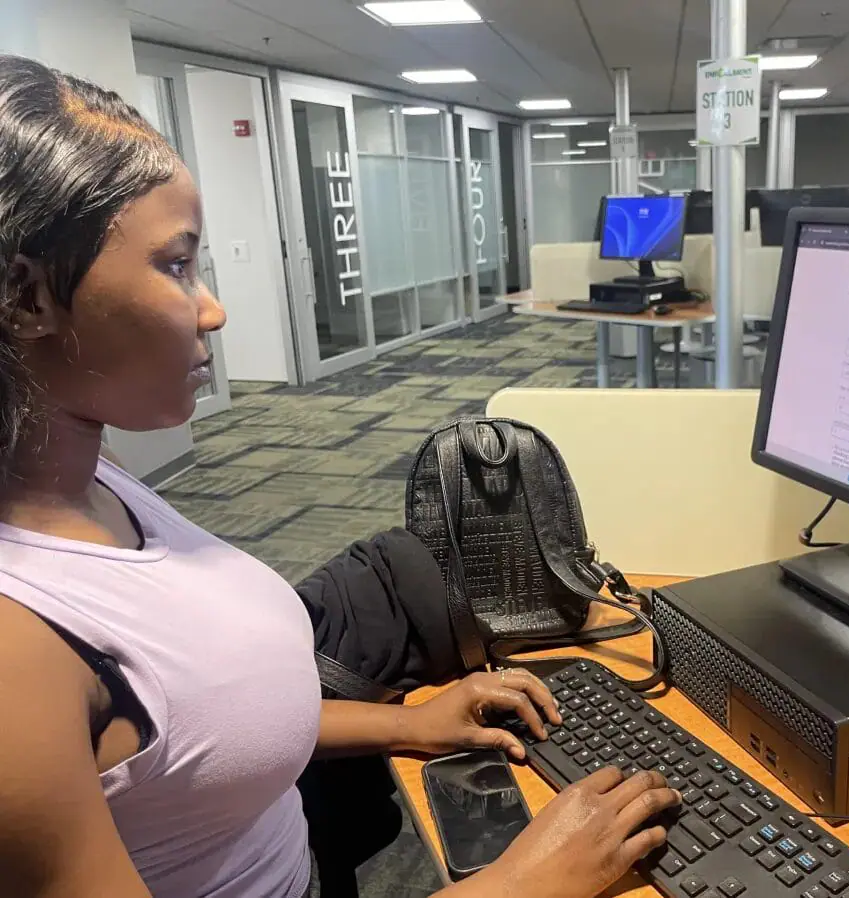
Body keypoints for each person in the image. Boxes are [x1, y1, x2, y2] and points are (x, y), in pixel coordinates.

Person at [0, 55, 679, 898]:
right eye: (176, 265)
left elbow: (198, 728)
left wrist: (409, 722)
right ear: (26, 299)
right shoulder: (15, 651)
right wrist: (523, 886)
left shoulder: (86, 481)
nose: (211, 307)